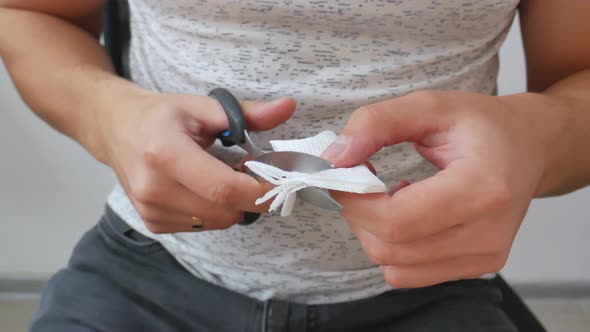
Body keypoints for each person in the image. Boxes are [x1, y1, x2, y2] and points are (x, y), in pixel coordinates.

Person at [0, 0, 589, 331]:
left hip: (431, 294)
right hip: (149, 270)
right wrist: (109, 116)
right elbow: (29, 14)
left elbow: (578, 82)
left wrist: (537, 141)